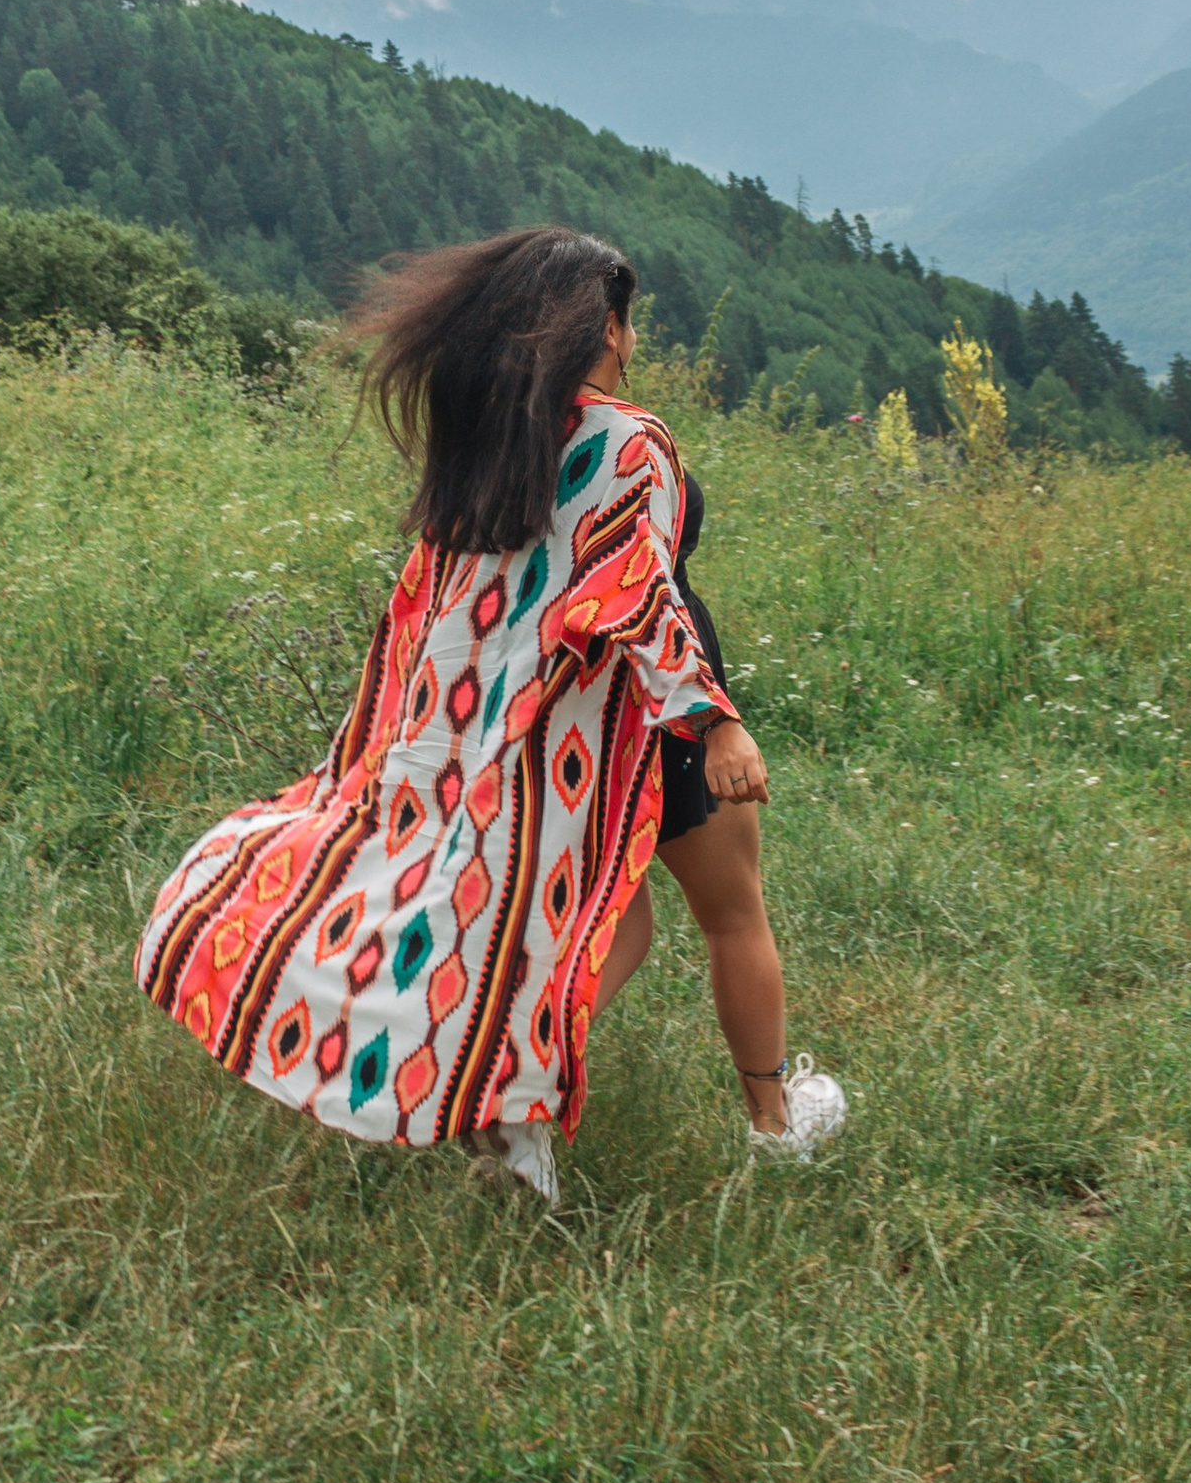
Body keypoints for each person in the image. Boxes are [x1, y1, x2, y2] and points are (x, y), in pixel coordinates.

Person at [135, 225, 846, 1202]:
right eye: (624, 323)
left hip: (552, 743)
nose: (628, 343)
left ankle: (511, 1116)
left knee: (604, 924)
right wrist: (715, 722)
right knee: (731, 916)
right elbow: (638, 596)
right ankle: (775, 1123)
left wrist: (417, 743)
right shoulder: (627, 440)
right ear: (602, 328)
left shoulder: (483, 448)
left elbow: (439, 607)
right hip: (652, 719)